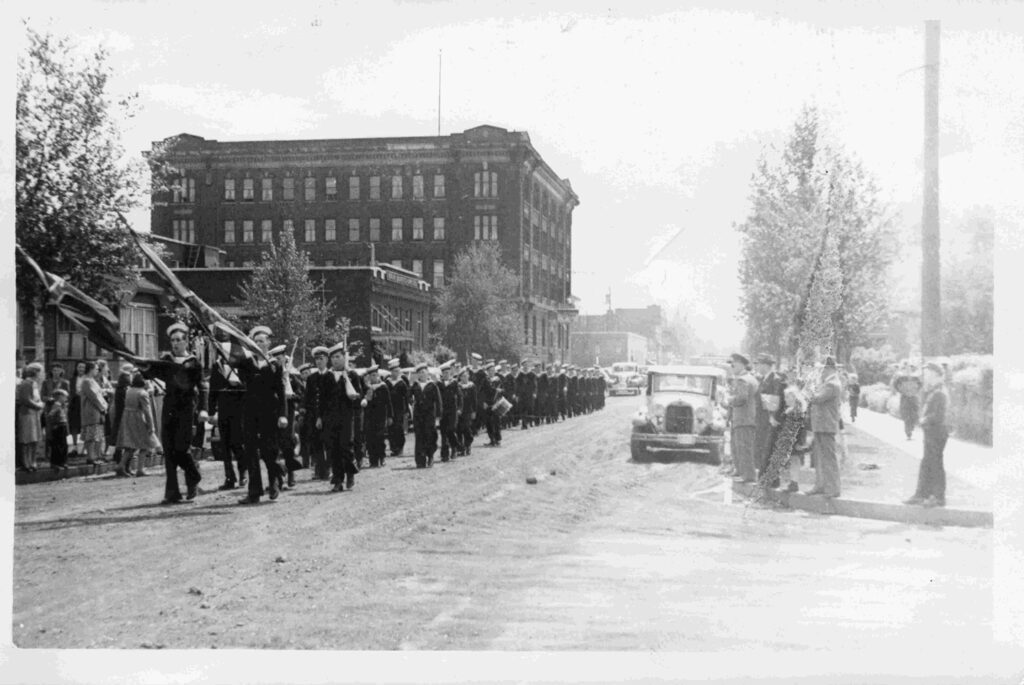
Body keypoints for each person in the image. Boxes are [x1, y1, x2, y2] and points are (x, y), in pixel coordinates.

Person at [136, 323, 209, 504]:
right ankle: (172, 492)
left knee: (181, 448)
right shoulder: (166, 360)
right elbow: (151, 373)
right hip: (169, 407)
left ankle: (193, 477)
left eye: (179, 340)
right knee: (169, 450)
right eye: (173, 340)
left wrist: (204, 408)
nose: (175, 343)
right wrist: (142, 366)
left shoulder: (193, 362)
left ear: (186, 342)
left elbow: (202, 387)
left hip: (186, 408)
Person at [225, 325, 288, 504]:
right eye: (255, 341)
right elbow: (234, 367)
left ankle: (274, 481)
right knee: (251, 451)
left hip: (270, 412)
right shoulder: (246, 363)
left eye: (262, 341)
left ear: (268, 343)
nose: (258, 343)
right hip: (250, 412)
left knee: (270, 450)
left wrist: (283, 414)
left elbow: (281, 390)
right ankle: (254, 492)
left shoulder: (274, 365)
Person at [904, 362, 950, 508]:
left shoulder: (940, 392)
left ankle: (938, 497)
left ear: (935, 375)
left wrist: (924, 420)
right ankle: (922, 494)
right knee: (927, 463)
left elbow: (938, 416)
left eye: (928, 373)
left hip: (937, 432)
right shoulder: (934, 390)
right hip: (931, 431)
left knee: (935, 464)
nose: (925, 376)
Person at [321, 342, 361, 492]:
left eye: (338, 357)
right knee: (334, 449)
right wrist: (321, 418)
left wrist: (353, 394)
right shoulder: (327, 377)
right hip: (331, 419)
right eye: (332, 358)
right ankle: (338, 480)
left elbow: (358, 396)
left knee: (346, 447)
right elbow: (323, 400)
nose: (335, 360)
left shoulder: (352, 375)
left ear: (345, 358)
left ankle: (350, 473)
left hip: (346, 417)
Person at [208, 338, 247, 490]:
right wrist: (211, 412)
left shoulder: (241, 366)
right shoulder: (217, 367)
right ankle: (229, 477)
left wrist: (238, 384)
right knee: (224, 446)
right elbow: (212, 391)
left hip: (238, 411)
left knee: (237, 444)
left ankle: (243, 473)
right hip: (223, 409)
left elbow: (247, 387)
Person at [806, 357, 843, 498]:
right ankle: (821, 485)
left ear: (828, 369)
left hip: (826, 425)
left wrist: (807, 389)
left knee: (828, 458)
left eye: (821, 369)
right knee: (820, 458)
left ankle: (833, 488)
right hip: (822, 425)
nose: (819, 372)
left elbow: (816, 398)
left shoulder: (832, 384)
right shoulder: (828, 383)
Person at [115, 372, 161, 478]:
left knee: (130, 445)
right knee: (145, 444)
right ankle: (140, 469)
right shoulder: (143, 393)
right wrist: (151, 426)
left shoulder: (129, 390)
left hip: (127, 417)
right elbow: (147, 411)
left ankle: (121, 465)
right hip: (138, 418)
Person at [753, 353, 786, 484]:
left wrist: (773, 417)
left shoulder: (775, 380)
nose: (757, 367)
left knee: (769, 448)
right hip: (762, 418)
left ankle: (771, 479)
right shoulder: (764, 379)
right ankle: (765, 477)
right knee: (763, 447)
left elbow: (776, 402)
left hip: (770, 420)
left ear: (766, 365)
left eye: (759, 364)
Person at [726, 353, 758, 483]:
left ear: (740, 364)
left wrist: (729, 400)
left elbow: (741, 399)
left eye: (733, 364)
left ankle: (748, 476)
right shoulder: (751, 378)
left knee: (743, 448)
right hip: (746, 418)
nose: (732, 367)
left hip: (743, 419)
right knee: (741, 447)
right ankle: (742, 472)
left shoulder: (742, 380)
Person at [304, 346, 331, 480]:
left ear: (326, 359)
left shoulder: (331, 376)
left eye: (321, 359)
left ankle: (329, 468)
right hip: (314, 415)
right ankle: (320, 470)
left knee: (329, 442)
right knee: (317, 443)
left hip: (328, 415)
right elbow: (308, 398)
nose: (319, 362)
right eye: (316, 359)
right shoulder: (311, 378)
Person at [411, 362, 442, 467]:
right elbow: (408, 397)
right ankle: (420, 460)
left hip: (429, 415)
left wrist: (438, 415)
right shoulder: (415, 385)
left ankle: (430, 456)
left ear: (427, 373)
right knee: (419, 437)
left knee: (430, 435)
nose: (421, 374)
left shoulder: (432, 385)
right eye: (419, 373)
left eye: (423, 372)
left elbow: (438, 401)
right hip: (418, 415)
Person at [16, 362, 46, 472]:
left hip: (34, 414)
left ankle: (33, 461)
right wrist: (38, 405)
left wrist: (40, 404)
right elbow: (25, 399)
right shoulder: (26, 383)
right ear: (35, 372)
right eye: (41, 372)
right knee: (27, 439)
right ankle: (26, 462)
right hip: (27, 414)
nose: (42, 374)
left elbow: (36, 398)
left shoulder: (34, 384)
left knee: (34, 439)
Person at [360, 365, 392, 468]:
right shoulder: (366, 388)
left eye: (375, 375)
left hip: (381, 417)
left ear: (378, 375)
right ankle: (373, 460)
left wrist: (390, 416)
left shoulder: (383, 387)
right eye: (371, 376)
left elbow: (388, 402)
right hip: (369, 417)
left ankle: (381, 458)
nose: (374, 377)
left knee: (380, 438)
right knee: (370, 439)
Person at [79, 361, 109, 467]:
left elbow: (100, 394)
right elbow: (93, 397)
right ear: (91, 369)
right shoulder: (86, 381)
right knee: (91, 435)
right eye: (96, 369)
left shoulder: (93, 381)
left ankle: (96, 455)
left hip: (98, 411)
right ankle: (90, 457)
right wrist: (102, 407)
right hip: (91, 411)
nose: (97, 371)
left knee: (97, 435)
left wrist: (104, 406)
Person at [384, 358, 410, 458]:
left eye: (397, 371)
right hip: (390, 409)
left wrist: (407, 410)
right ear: (391, 371)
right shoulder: (387, 382)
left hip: (400, 409)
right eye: (394, 371)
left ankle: (400, 448)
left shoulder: (402, 383)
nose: (396, 373)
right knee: (391, 429)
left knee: (399, 428)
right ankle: (393, 448)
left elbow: (406, 397)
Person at [438, 360, 462, 462]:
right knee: (443, 433)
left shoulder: (454, 383)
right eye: (444, 373)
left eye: (447, 373)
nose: (446, 375)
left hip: (453, 411)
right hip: (443, 412)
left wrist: (460, 408)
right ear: (442, 374)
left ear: (450, 373)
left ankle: (455, 448)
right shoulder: (438, 385)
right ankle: (445, 455)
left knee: (451, 430)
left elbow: (460, 396)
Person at [894, 365, 922, 440]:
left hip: (913, 397)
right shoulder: (901, 378)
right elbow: (896, 385)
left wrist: (915, 391)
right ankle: (908, 432)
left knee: (914, 415)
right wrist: (901, 391)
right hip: (905, 398)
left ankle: (911, 427)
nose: (909, 370)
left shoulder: (916, 377)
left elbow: (920, 385)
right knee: (906, 415)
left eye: (910, 368)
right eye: (907, 368)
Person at [47, 389, 70, 472]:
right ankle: (55, 463)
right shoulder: (56, 405)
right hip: (58, 427)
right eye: (65, 397)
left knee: (64, 445)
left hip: (63, 426)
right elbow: (50, 415)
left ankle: (62, 462)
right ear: (59, 397)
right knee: (57, 445)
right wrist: (54, 424)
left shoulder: (62, 405)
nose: (66, 398)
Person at [456, 366, 477, 456]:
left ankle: (468, 445)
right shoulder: (457, 386)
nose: (464, 378)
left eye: (466, 376)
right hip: (460, 411)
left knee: (467, 429)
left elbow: (474, 400)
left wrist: (474, 411)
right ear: (460, 377)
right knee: (459, 430)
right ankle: (461, 448)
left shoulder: (472, 386)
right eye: (462, 376)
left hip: (469, 410)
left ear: (468, 376)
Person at [68, 360, 87, 457]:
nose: (81, 369)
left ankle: (84, 448)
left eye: (83, 367)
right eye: (79, 367)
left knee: (84, 426)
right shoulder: (72, 379)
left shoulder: (88, 379)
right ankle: (75, 447)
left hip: (85, 403)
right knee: (74, 426)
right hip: (75, 403)